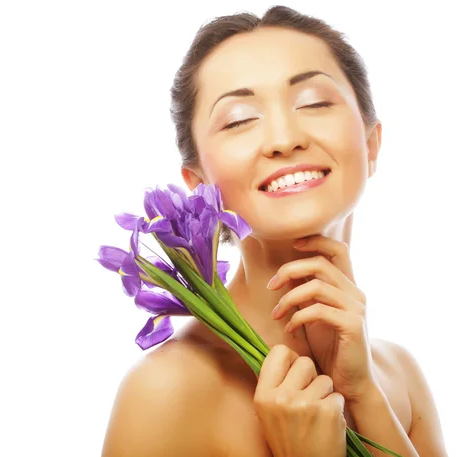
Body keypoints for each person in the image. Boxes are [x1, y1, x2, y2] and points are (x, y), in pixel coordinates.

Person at [101, 6, 448, 457]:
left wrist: (364, 397)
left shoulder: (399, 376)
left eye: (314, 102)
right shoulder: (167, 391)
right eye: (240, 119)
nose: (284, 138)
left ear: (371, 143)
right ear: (199, 185)